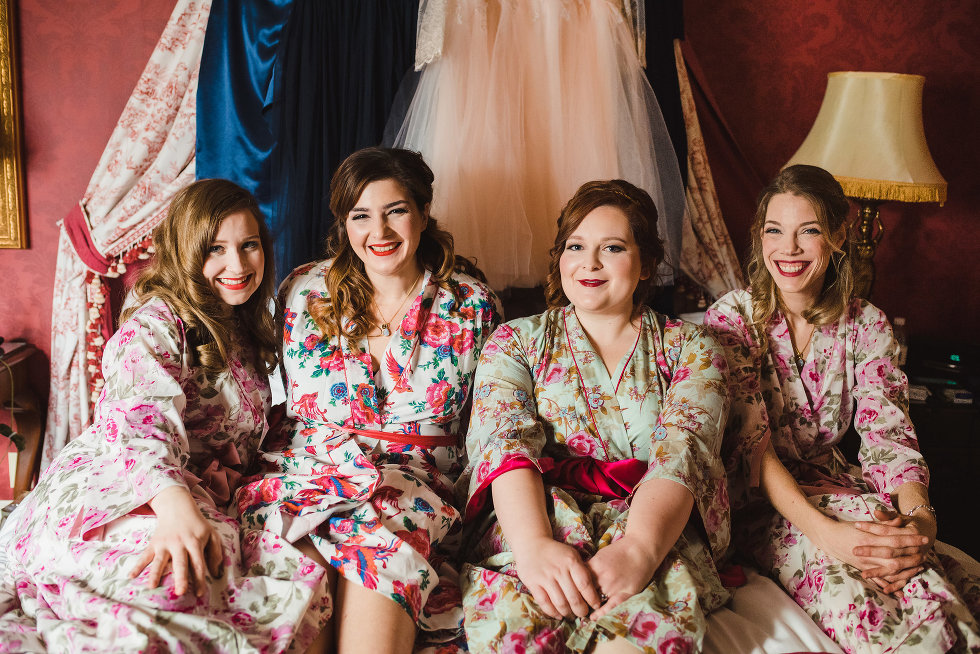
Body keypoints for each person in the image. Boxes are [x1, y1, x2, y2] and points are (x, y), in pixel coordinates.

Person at [0, 179, 330, 652]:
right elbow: (139, 419)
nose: (237, 265)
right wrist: (175, 508)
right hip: (129, 479)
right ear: (184, 251)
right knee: (174, 588)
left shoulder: (243, 321)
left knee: (233, 569)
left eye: (249, 245)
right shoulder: (154, 323)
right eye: (215, 248)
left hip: (198, 487)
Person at [704, 164, 980, 653]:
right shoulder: (732, 318)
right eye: (775, 231)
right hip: (761, 505)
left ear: (836, 237)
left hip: (841, 486)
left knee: (945, 579)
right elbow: (754, 449)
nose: (787, 249)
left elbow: (889, 437)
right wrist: (832, 537)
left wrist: (920, 525)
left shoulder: (867, 324)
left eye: (807, 231)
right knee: (875, 601)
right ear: (759, 237)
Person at [236, 147, 501, 653]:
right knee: (292, 605)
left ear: (423, 214)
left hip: (410, 490)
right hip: (308, 477)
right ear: (344, 223)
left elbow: (488, 422)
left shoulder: (470, 303)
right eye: (361, 215)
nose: (378, 232)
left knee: (375, 602)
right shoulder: (302, 290)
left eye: (395, 211)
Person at [459, 180, 731, 653]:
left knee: (646, 632)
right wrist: (533, 548)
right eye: (576, 246)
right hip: (537, 513)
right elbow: (502, 443)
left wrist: (640, 550)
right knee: (518, 629)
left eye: (613, 247)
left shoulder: (694, 347)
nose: (590, 263)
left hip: (651, 519)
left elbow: (685, 450)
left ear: (646, 263)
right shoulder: (514, 341)